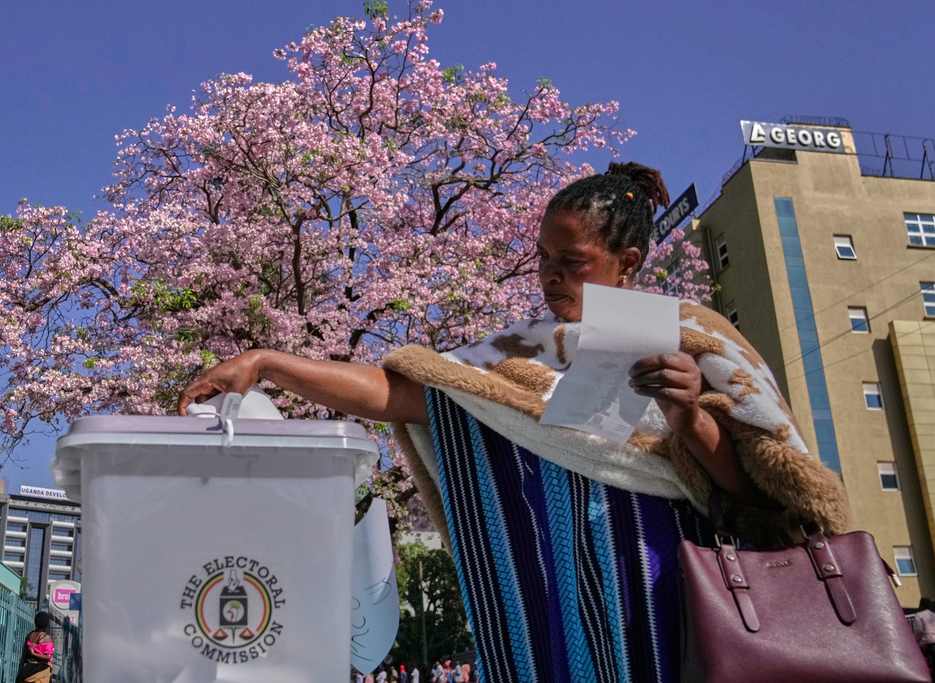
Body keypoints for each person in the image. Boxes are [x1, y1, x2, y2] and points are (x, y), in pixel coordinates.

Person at [180, 163, 849, 682]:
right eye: (543, 259)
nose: (550, 278)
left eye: (572, 262)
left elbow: (758, 497)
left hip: (664, 609)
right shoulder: (512, 356)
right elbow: (399, 393)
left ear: (629, 265)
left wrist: (689, 416)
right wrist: (269, 362)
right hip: (547, 619)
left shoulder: (693, 340)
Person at [16, 612, 54, 683]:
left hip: (28, 670)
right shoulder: (46, 637)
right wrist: (33, 653)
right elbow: (48, 657)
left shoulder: (30, 635)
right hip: (40, 672)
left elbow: (24, 655)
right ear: (46, 623)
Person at [913, 597, 935, 676]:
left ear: (920, 605)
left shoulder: (919, 615)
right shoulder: (933, 615)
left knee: (929, 664)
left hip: (926, 642)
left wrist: (916, 641)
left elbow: (918, 630)